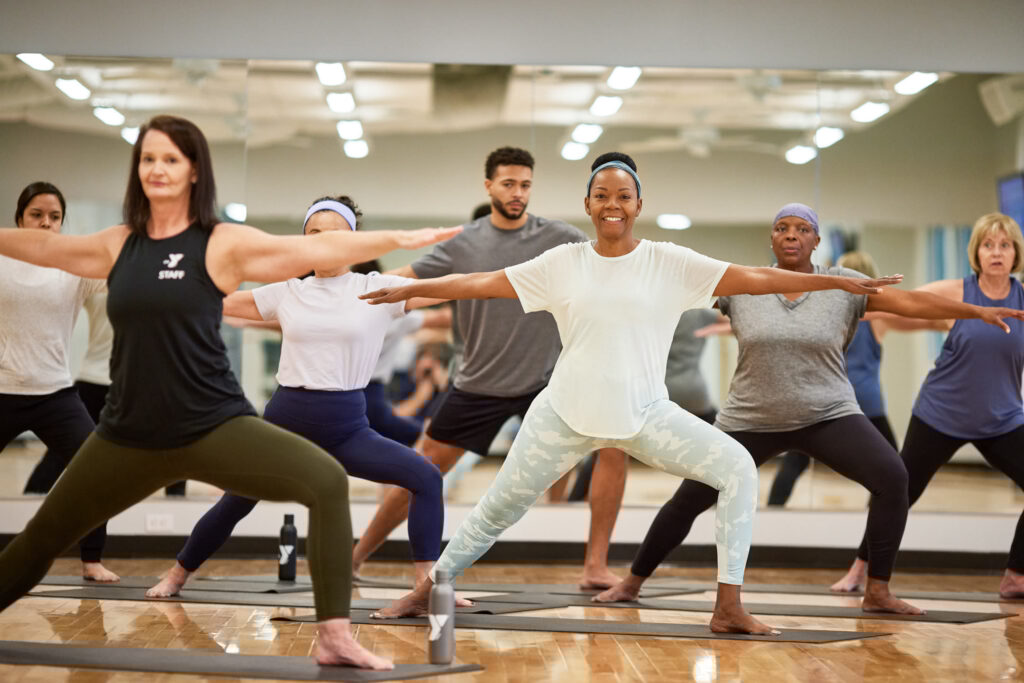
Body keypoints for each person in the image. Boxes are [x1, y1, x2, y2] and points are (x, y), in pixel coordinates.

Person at [357, 153, 906, 633]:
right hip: (562, 414)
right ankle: (430, 587)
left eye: (623, 196)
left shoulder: (669, 262)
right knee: (498, 508)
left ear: (638, 204)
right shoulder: (563, 262)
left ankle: (728, 604)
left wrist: (833, 281)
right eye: (602, 196)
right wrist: (414, 288)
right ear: (589, 204)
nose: (612, 204)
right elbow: (481, 283)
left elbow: (755, 278)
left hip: (644, 415)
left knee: (736, 468)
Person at [0, 115, 460, 670]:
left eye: (171, 158)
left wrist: (406, 241)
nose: (158, 169)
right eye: (148, 158)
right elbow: (42, 249)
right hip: (137, 426)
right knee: (39, 539)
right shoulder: (122, 245)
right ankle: (178, 572)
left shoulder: (232, 246)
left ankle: (349, 625)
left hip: (228, 421)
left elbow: (440, 283)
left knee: (335, 482)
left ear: (194, 170)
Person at [592, 202, 1024, 616]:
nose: (792, 236)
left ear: (816, 240)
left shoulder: (844, 285)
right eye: (783, 228)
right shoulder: (745, 283)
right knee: (689, 499)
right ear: (772, 238)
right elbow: (672, 292)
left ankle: (877, 589)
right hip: (750, 419)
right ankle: (632, 581)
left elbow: (910, 302)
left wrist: (975, 312)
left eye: (802, 230)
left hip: (828, 414)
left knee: (893, 478)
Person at [351, 146, 631, 589]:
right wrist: (337, 294)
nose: (518, 193)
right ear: (489, 186)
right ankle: (357, 555)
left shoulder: (559, 236)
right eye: (508, 184)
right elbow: (400, 281)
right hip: (480, 384)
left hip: (548, 382)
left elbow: (612, 260)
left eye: (525, 185)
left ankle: (595, 566)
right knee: (421, 470)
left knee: (614, 447)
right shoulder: (465, 244)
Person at [145, 195, 447, 597]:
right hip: (286, 425)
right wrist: (163, 277)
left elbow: (454, 289)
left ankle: (424, 586)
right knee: (236, 502)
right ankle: (177, 574)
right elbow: (213, 303)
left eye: (335, 234)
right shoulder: (288, 291)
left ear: (355, 241)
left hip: (348, 430)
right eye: (313, 234)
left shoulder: (379, 290)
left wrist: (509, 273)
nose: (323, 243)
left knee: (425, 477)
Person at [832, 213, 1024, 597]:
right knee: (899, 490)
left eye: (1005, 245)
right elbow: (898, 307)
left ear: (1016, 252)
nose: (997, 253)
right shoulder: (955, 292)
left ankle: (1016, 575)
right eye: (988, 245)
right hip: (940, 415)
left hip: (1002, 418)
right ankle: (860, 567)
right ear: (977, 252)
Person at [762, 250, 947, 506]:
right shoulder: (878, 318)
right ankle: (877, 514)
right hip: (866, 404)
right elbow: (924, 320)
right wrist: (950, 321)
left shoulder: (828, 315)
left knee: (796, 460)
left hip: (825, 398)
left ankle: (773, 509)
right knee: (892, 465)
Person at [1, 182, 117, 583]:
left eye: (54, 217)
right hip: (4, 390)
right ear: (20, 219)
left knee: (96, 473)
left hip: (55, 394)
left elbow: (119, 278)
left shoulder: (73, 268)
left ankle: (91, 559)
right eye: (37, 214)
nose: (46, 223)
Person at [567, 307, 722, 502]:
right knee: (720, 444)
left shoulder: (651, 309)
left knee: (608, 448)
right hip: (693, 393)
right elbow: (732, 321)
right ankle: (718, 497)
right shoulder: (700, 314)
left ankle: (574, 499)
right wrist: (713, 330)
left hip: (654, 391)